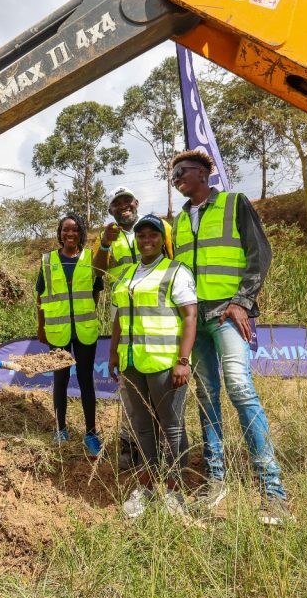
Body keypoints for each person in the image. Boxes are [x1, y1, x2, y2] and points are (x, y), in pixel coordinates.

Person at [170, 149, 291, 526]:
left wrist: (242, 301)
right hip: (195, 319)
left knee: (239, 387)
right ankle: (216, 479)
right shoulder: (177, 221)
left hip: (227, 313)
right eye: (173, 175)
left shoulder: (234, 203)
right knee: (207, 395)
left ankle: (272, 492)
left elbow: (260, 254)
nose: (177, 179)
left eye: (183, 172)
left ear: (204, 174)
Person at [108, 214, 197, 518]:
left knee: (171, 427)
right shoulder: (128, 274)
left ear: (163, 239)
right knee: (142, 428)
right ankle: (146, 486)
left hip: (164, 363)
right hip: (132, 363)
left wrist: (183, 361)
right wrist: (113, 354)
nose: (146, 240)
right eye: (141, 235)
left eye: (153, 235)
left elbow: (189, 316)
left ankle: (173, 490)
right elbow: (119, 317)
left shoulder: (175, 272)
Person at [92, 187, 173, 470]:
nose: (124, 206)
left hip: (158, 310)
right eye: (117, 203)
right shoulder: (107, 237)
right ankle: (129, 443)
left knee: (159, 376)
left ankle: (163, 445)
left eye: (127, 201)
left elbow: (173, 261)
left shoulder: (154, 227)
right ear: (111, 210)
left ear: (136, 203)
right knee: (129, 382)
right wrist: (103, 245)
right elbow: (97, 272)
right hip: (123, 311)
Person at [36, 213, 104, 456]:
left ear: (81, 233)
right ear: (60, 233)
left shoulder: (90, 259)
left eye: (75, 229)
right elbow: (40, 295)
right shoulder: (47, 261)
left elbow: (96, 292)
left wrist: (86, 312)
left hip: (85, 330)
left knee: (87, 381)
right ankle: (60, 429)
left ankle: (91, 433)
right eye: (66, 230)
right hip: (57, 331)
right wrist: (41, 326)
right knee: (60, 381)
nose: (70, 234)